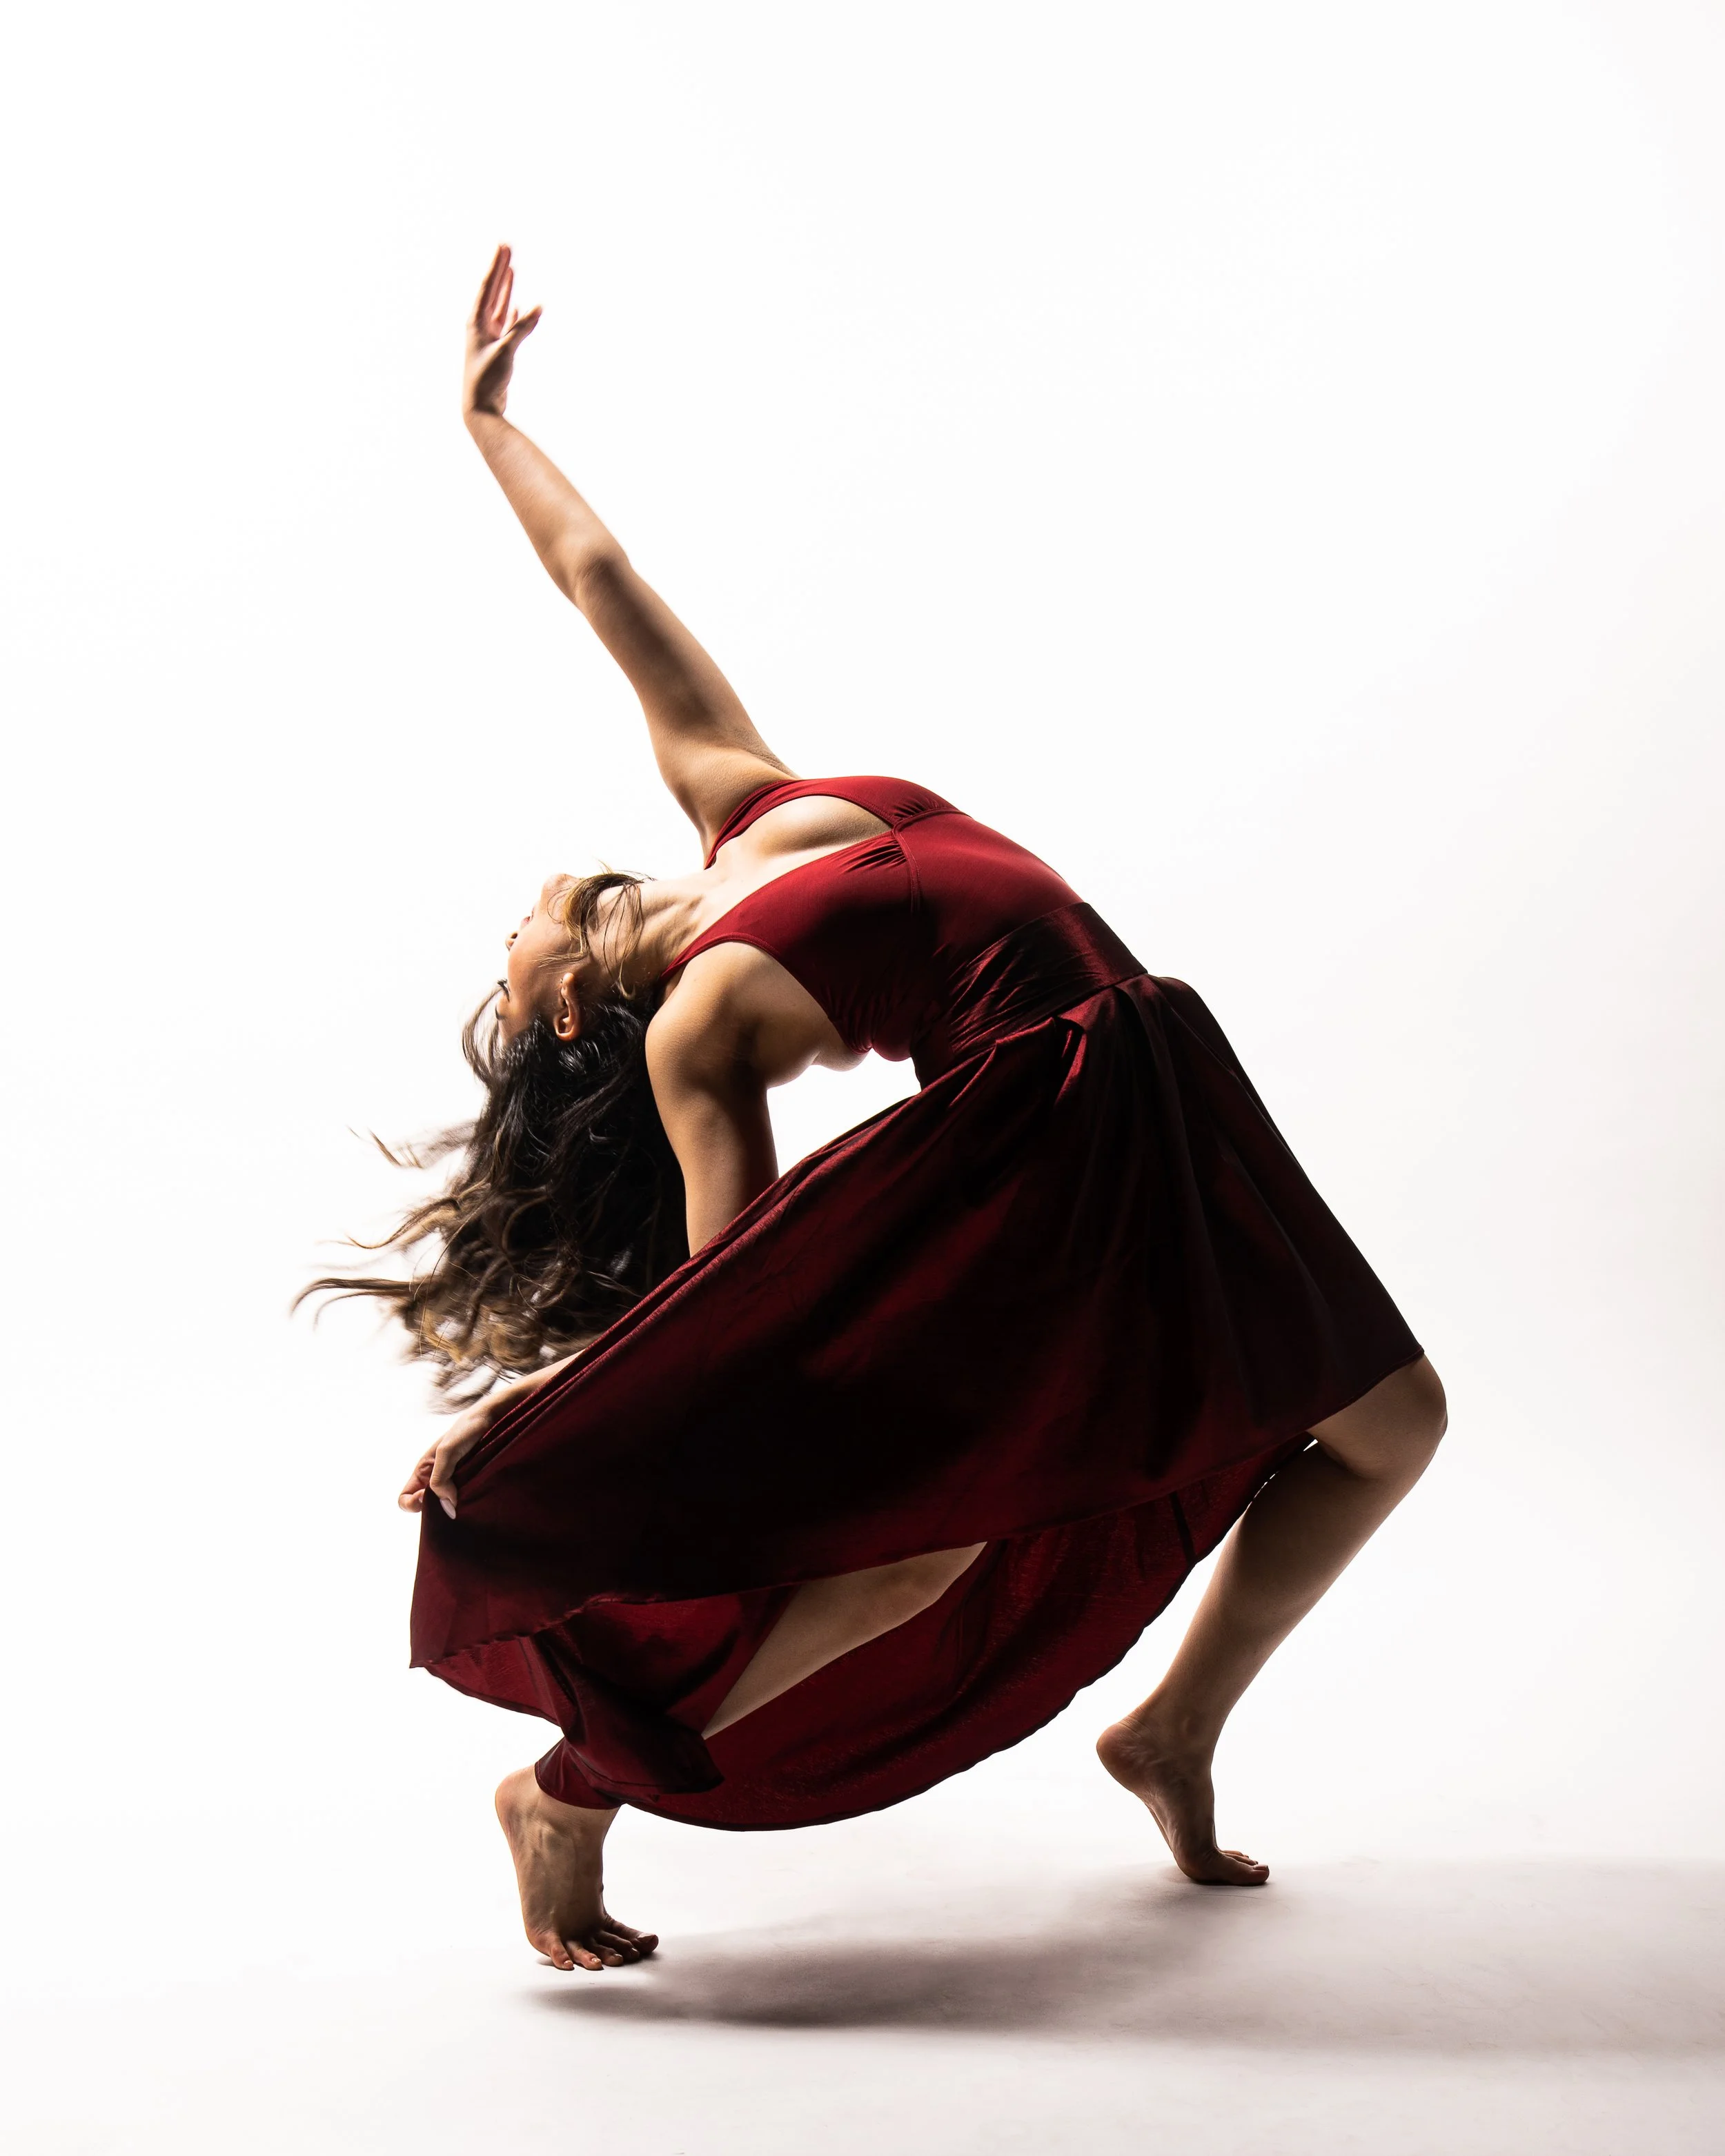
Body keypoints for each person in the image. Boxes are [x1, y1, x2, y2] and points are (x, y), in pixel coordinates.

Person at [333, 246, 1445, 1976]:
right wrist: (548, 1409)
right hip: (1038, 1151)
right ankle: (577, 1784)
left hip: (1156, 1078)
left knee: (1390, 1424)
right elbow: (738, 1298)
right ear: (569, 994)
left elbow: (598, 574)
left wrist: (484, 422)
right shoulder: (692, 1026)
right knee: (905, 1554)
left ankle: (1167, 1731)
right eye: (506, 952)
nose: (511, 914)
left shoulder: (746, 802)